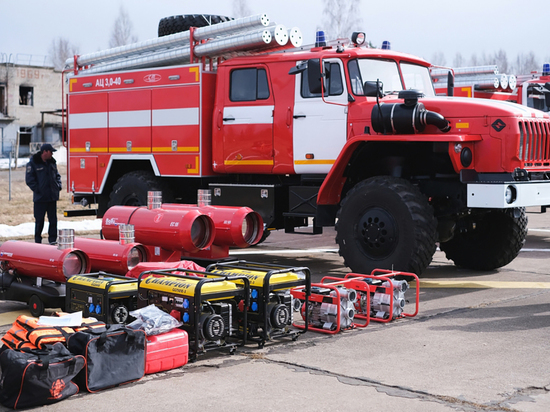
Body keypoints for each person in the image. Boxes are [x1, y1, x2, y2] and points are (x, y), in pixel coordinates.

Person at [25, 143, 62, 244]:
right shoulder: (33, 163)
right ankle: (38, 241)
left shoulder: (52, 162)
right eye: (51, 152)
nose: (52, 155)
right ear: (45, 152)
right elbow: (29, 180)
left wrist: (58, 186)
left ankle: (53, 240)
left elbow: (57, 176)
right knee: (39, 221)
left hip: (52, 197)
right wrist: (38, 190)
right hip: (40, 198)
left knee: (53, 221)